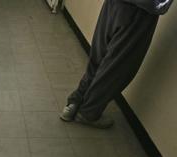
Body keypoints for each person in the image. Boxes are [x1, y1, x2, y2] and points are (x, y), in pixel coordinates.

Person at [60, 0, 174, 129]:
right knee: (116, 69)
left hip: (112, 5)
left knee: (99, 58)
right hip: (138, 14)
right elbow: (157, 6)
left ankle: (75, 102)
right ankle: (88, 112)